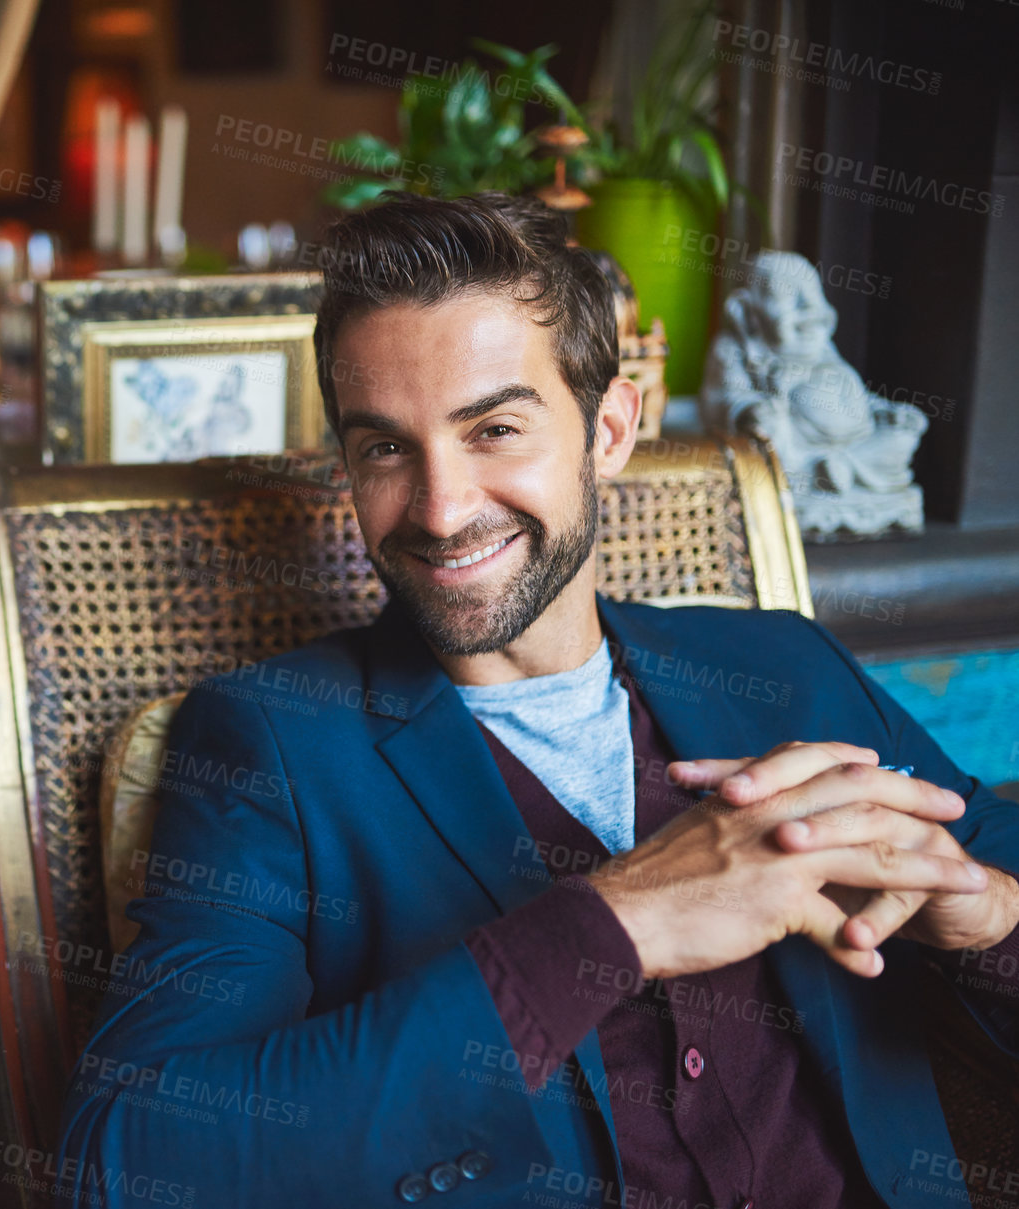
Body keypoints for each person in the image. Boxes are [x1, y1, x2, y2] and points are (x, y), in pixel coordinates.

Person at [54, 192, 1019, 1209]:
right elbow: (124, 1163)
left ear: (606, 430)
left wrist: (988, 918)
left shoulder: (784, 667)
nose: (439, 507)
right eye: (384, 447)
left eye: (494, 429)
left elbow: (986, 882)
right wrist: (611, 927)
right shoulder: (270, 746)